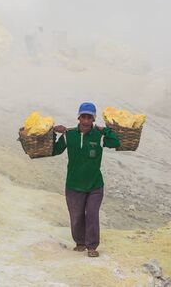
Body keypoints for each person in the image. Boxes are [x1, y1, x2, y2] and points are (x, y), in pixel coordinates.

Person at [53, 102, 120, 257]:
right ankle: (80, 243)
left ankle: (92, 247)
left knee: (92, 214)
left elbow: (116, 142)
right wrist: (54, 132)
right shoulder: (69, 135)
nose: (86, 120)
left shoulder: (99, 136)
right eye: (83, 116)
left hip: (95, 185)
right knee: (76, 216)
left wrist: (106, 130)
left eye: (89, 117)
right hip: (74, 185)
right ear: (79, 117)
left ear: (93, 119)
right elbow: (55, 150)